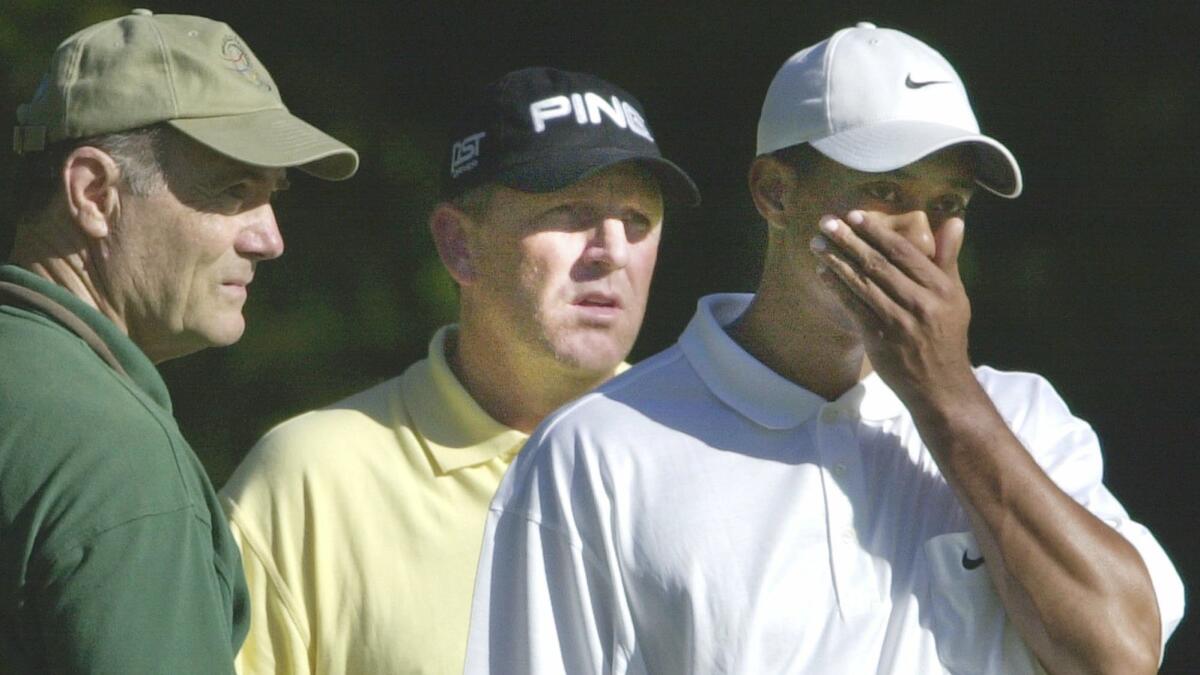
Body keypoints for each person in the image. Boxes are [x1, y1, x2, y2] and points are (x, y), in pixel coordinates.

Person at [465, 23, 1186, 675]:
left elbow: (1120, 654)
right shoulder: (595, 452)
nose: (919, 236)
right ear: (775, 194)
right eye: (884, 189)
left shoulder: (1024, 418)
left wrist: (945, 395)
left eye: (948, 204)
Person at [219, 66, 699, 674]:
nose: (612, 249)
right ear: (458, 245)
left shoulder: (711, 459)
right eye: (571, 210)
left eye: (637, 219)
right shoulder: (309, 480)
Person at [0, 9, 358, 673]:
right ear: (94, 192)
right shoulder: (113, 458)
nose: (269, 237)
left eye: (272, 194)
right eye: (231, 191)